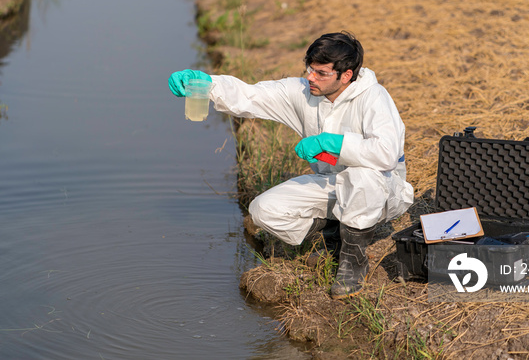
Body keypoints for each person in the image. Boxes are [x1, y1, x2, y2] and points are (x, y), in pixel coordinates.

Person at [168, 31, 414, 298]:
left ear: (346, 75)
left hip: (381, 190)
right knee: (263, 210)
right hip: (332, 185)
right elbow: (251, 96)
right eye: (309, 69)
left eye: (321, 73)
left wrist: (333, 143)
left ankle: (353, 262)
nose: (310, 77)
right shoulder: (304, 92)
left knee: (362, 178)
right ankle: (333, 237)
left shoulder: (374, 97)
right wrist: (208, 85)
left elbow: (386, 154)